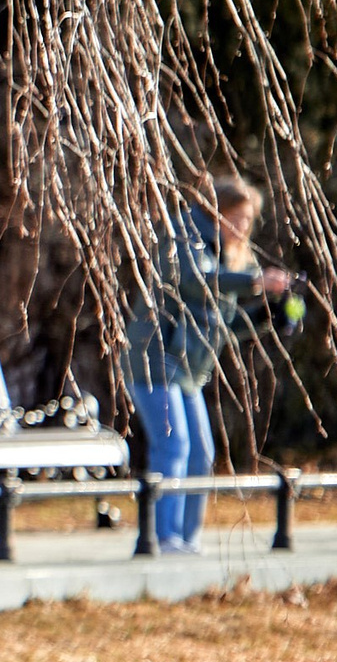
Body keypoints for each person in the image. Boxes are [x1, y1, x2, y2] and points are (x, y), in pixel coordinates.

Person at [121, 175, 291, 555]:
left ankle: (185, 538)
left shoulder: (228, 255)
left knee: (201, 452)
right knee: (174, 445)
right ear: (217, 211)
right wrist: (256, 281)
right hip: (153, 360)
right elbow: (197, 280)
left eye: (248, 220)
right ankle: (162, 538)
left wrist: (269, 316)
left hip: (187, 370)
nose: (243, 227)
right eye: (237, 217)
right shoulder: (184, 237)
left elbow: (220, 326)